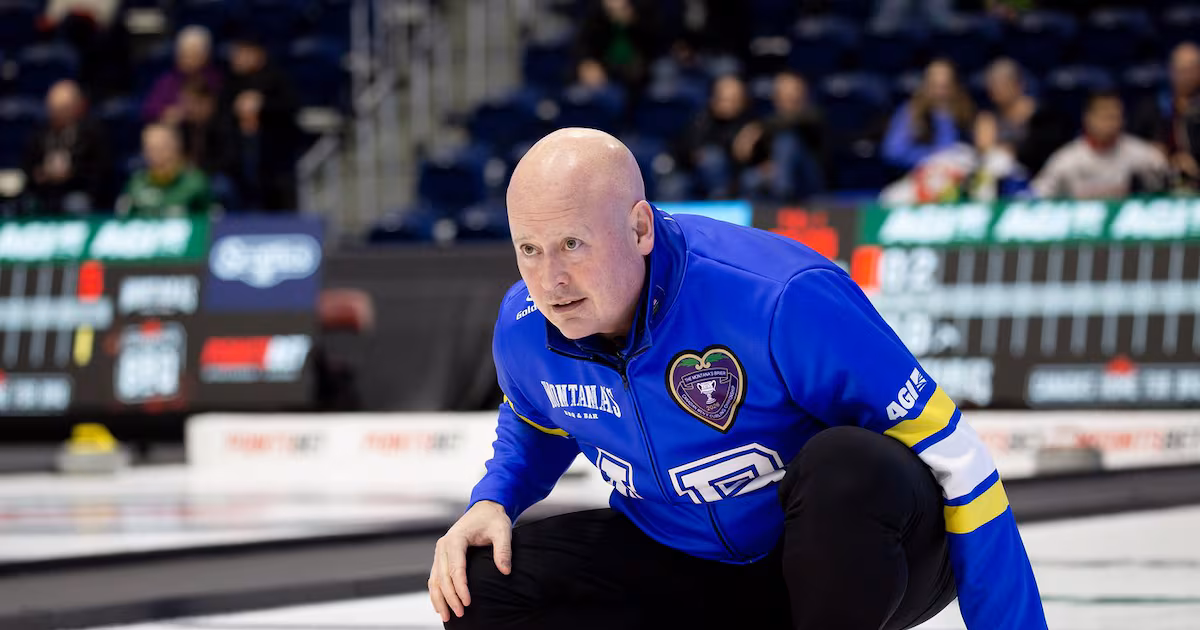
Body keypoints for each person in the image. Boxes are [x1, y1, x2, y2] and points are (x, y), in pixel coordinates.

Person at [428, 128, 1047, 630]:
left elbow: (958, 463)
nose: (550, 279)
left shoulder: (779, 298)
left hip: (858, 566)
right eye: (528, 249)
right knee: (480, 585)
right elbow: (533, 421)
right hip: (694, 568)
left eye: (571, 244)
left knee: (848, 465)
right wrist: (494, 499)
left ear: (640, 229)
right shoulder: (525, 324)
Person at [1032, 90, 1168, 200]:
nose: (1112, 124)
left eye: (1116, 117)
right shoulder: (1067, 159)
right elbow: (1037, 196)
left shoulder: (1142, 154)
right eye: (1105, 117)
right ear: (1088, 119)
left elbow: (1169, 186)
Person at [219, 32, 300, 211]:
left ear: (257, 54)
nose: (235, 58)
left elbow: (290, 110)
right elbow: (220, 119)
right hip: (238, 161)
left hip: (273, 162)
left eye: (241, 52)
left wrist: (262, 106)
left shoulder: (277, 79)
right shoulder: (229, 84)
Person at [21, 79, 110, 215]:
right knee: (27, 203)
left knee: (76, 203)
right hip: (44, 191)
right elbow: (27, 168)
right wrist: (41, 174)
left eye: (63, 108)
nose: (58, 114)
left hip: (78, 191)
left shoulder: (92, 134)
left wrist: (72, 174)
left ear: (77, 107)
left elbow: (101, 173)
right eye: (53, 109)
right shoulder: (39, 134)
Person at [736, 70, 827, 201]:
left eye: (790, 90)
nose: (786, 95)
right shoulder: (769, 120)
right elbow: (752, 154)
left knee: (787, 140)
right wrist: (767, 165)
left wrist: (755, 129)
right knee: (750, 178)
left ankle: (783, 198)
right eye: (781, 91)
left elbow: (793, 120)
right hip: (779, 174)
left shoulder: (814, 115)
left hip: (810, 178)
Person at [974, 57, 1069, 176]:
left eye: (1001, 83)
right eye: (992, 84)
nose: (995, 89)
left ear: (1019, 84)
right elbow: (984, 151)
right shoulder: (988, 118)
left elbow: (1046, 153)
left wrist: (1014, 151)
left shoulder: (1043, 116)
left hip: (1038, 177)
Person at [882, 59, 976, 170]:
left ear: (955, 87)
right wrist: (932, 157)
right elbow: (892, 152)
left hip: (959, 177)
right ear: (925, 85)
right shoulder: (911, 112)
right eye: (934, 85)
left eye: (945, 86)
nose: (939, 93)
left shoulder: (966, 112)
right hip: (919, 176)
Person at [673, 75, 755, 199]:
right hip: (698, 174)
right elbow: (684, 149)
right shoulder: (701, 120)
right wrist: (694, 155)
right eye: (725, 99)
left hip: (736, 176)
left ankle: (720, 202)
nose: (729, 104)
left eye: (735, 99)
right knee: (674, 185)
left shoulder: (750, 124)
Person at [1133, 42, 1200, 192]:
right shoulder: (1151, 107)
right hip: (1157, 180)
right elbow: (1130, 145)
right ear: (1171, 71)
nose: (1185, 76)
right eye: (1181, 70)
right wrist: (1156, 154)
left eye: (1191, 70)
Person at [116, 123, 214, 217]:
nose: (154, 154)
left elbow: (211, 219)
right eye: (149, 148)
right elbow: (123, 219)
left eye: (161, 147)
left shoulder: (195, 182)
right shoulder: (136, 183)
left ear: (176, 146)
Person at [142, 26, 222, 124]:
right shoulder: (168, 80)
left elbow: (218, 110)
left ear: (205, 56)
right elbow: (150, 109)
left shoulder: (214, 78)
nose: (188, 60)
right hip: (175, 129)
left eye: (194, 55)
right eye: (184, 55)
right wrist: (167, 113)